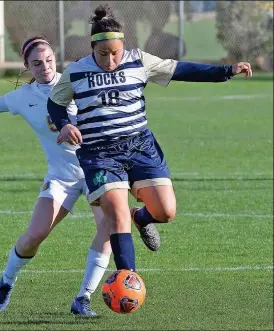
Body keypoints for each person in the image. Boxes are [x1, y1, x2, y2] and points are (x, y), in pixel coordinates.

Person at [47, 4, 252, 273]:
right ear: (92, 48)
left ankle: (141, 218)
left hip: (140, 146)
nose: (110, 61)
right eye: (103, 54)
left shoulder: (139, 60)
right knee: (116, 215)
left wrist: (226, 70)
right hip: (100, 154)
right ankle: (127, 278)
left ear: (123, 46)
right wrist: (63, 124)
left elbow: (181, 70)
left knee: (166, 212)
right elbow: (55, 103)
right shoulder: (76, 72)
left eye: (115, 53)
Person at [0, 36, 119, 316]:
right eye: (36, 63)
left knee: (107, 229)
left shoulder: (76, 80)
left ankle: (84, 298)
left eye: (48, 60)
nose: (44, 67)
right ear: (26, 67)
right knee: (34, 236)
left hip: (96, 170)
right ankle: (7, 281)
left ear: (55, 58)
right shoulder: (22, 98)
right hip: (62, 177)